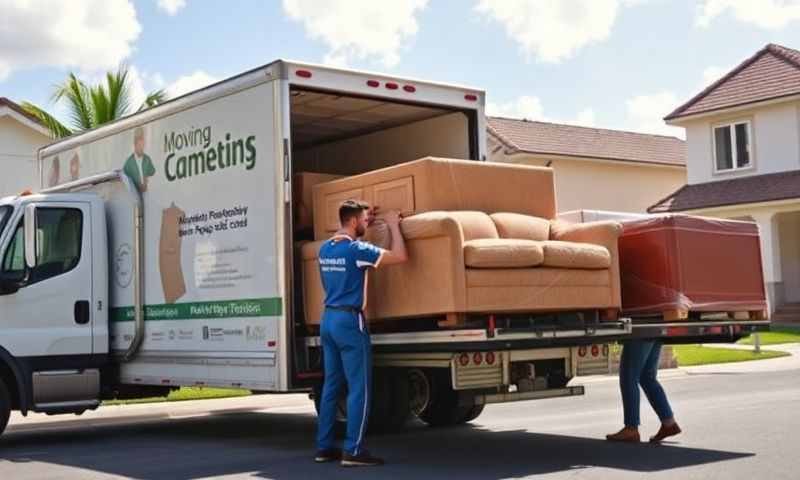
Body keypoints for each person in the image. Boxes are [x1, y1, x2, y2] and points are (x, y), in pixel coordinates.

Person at [314, 200, 408, 467]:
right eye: (365, 221)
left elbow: (337, 273)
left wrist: (367, 217)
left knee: (331, 386)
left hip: (328, 319)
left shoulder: (325, 249)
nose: (367, 224)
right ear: (354, 222)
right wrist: (392, 225)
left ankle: (324, 447)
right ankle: (353, 450)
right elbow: (401, 257)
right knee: (360, 389)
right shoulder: (357, 250)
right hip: (349, 322)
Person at [606, 339, 682, 443]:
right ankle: (669, 423)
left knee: (629, 376)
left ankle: (631, 428)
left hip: (640, 329)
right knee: (647, 377)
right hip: (656, 327)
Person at [123, 127, 156, 192]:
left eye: (143, 142)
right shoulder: (129, 162)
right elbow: (125, 179)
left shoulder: (147, 159)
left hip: (147, 194)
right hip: (135, 195)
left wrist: (146, 180)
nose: (141, 145)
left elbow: (152, 172)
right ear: (135, 143)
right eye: (139, 142)